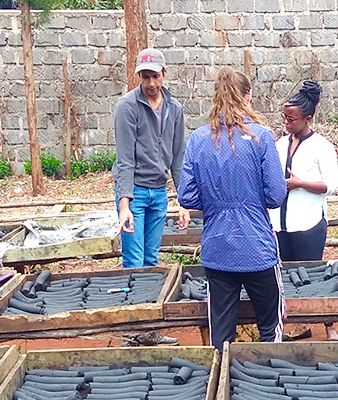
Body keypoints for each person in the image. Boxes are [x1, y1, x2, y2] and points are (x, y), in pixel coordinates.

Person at [177, 66, 287, 351]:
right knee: (270, 328)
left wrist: (216, 204)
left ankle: (222, 384)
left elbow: (187, 196)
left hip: (217, 248)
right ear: (248, 96)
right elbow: (276, 195)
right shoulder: (261, 138)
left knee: (221, 336)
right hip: (257, 248)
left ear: (215, 98)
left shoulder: (199, 140)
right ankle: (266, 383)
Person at [112, 48, 189, 346]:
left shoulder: (174, 108)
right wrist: (124, 205)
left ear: (164, 74)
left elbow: (179, 157)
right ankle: (134, 331)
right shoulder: (127, 107)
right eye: (145, 76)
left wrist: (183, 200)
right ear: (139, 76)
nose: (151, 82)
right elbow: (124, 159)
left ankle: (149, 329)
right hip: (134, 192)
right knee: (133, 263)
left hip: (159, 191)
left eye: (155, 76)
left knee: (151, 260)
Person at [269, 80, 338, 342]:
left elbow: (331, 185)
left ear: (308, 118)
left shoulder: (321, 147)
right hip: (280, 224)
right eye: (285, 118)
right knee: (286, 275)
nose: (287, 123)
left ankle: (328, 325)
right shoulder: (278, 144)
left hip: (309, 223)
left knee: (314, 274)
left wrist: (299, 184)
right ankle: (298, 325)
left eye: (292, 119)